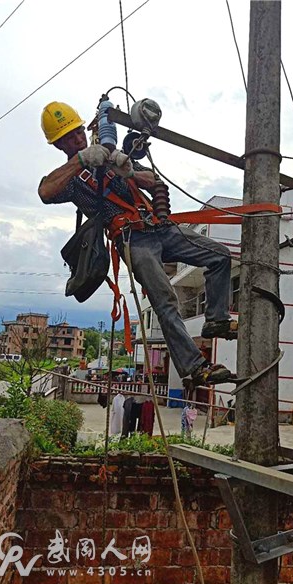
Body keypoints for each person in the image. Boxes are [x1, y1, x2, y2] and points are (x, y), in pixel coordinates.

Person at [38, 101, 238, 387]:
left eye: (78, 132)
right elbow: (45, 191)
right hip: (132, 239)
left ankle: (216, 318)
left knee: (219, 256)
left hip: (160, 228)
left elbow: (152, 181)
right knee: (164, 299)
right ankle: (195, 368)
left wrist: (128, 171)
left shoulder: (111, 155)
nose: (78, 139)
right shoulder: (72, 179)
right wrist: (81, 159)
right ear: (59, 145)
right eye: (69, 138)